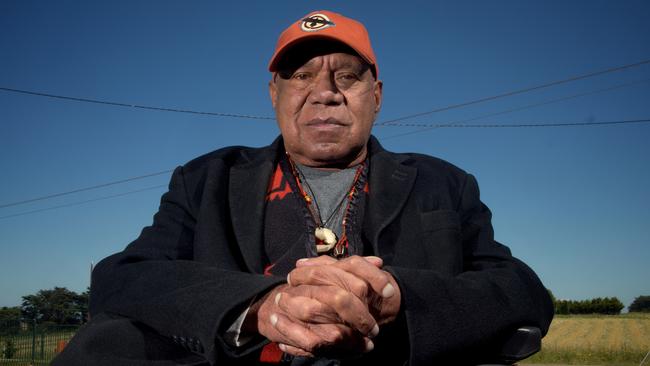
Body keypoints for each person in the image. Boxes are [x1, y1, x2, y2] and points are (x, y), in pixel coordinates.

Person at [52, 10, 553, 366]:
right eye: (301, 75)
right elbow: (121, 278)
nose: (325, 93)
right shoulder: (206, 178)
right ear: (275, 94)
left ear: (375, 97)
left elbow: (522, 291)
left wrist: (402, 295)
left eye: (348, 76)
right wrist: (258, 308)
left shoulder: (443, 182)